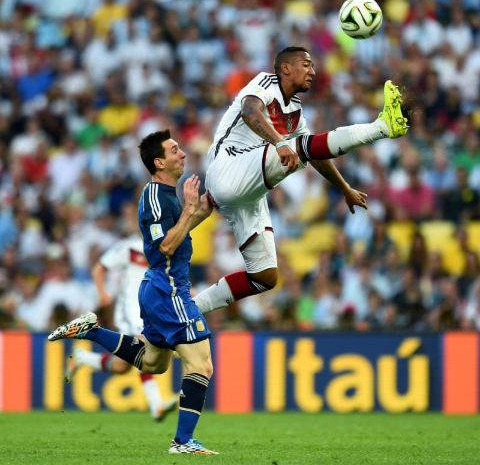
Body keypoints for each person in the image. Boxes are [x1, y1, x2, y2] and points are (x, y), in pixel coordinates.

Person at [192, 46, 409, 315]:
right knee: (301, 145)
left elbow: (314, 153)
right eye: (306, 64)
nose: (313, 71)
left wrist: (344, 188)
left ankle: (192, 308)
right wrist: (281, 142)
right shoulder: (265, 82)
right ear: (285, 68)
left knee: (264, 277)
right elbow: (250, 111)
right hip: (227, 169)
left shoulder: (294, 111)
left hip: (247, 194)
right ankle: (382, 127)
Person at [48, 130, 218, 455]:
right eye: (174, 150)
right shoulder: (155, 196)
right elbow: (165, 246)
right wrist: (189, 210)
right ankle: (183, 442)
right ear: (159, 162)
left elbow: (171, 236)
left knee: (153, 364)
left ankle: (93, 331)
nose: (182, 153)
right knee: (201, 366)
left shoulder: (166, 193)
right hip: (168, 289)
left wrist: (196, 214)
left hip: (159, 288)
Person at [65, 232, 178, 422]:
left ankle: (82, 358)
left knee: (121, 366)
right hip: (130, 310)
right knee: (145, 346)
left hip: (151, 311)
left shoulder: (169, 248)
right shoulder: (131, 247)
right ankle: (156, 405)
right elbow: (99, 268)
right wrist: (102, 294)